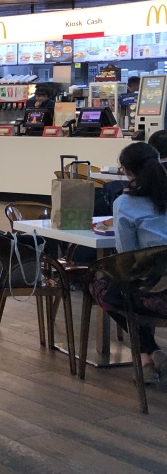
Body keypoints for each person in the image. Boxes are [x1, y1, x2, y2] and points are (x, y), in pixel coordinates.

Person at [90, 142, 167, 383]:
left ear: (126, 171)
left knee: (102, 288)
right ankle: (149, 355)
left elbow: (127, 257)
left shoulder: (125, 204)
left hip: (152, 291)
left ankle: (149, 353)